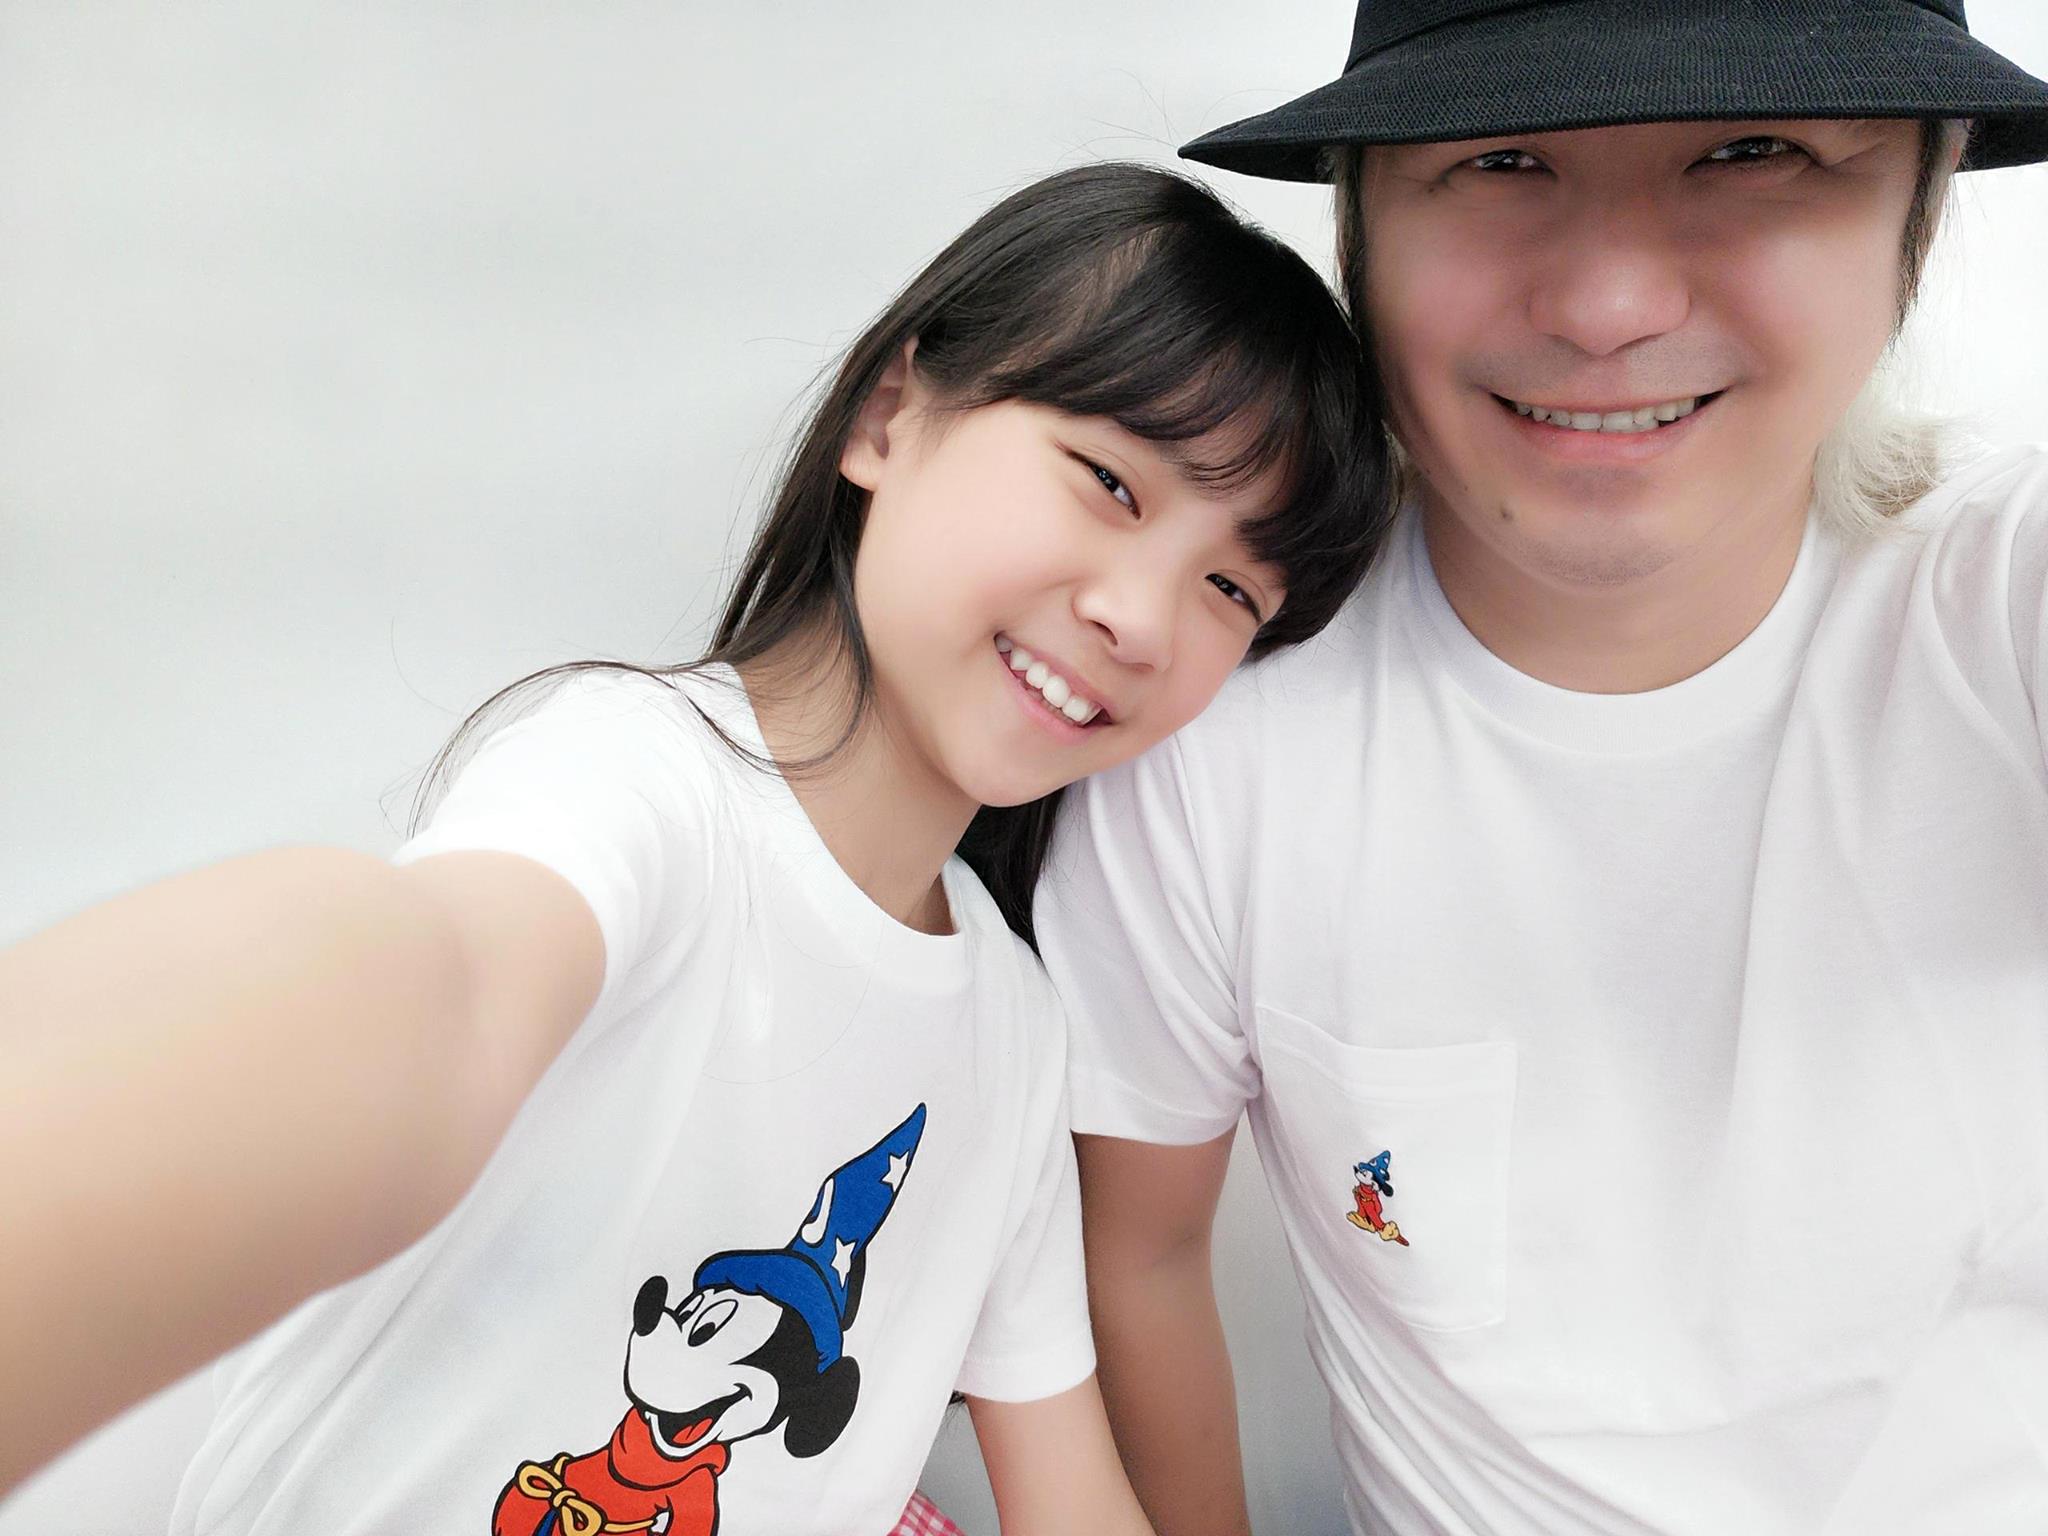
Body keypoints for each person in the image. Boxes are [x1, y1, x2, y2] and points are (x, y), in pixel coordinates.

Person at [0, 161, 1394, 1532]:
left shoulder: (1012, 1035)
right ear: (889, 415)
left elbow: (1069, 1491)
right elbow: (439, 990)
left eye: (1232, 589)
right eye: (1109, 483)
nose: (1143, 621)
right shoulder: (634, 783)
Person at [1034, 4, 2048, 1534]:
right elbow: (1138, 1257)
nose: (1607, 305)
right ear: (1361, 226)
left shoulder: (1998, 607)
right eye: (1502, 160)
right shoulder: (1211, 721)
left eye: (1754, 151)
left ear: (1924, 196)